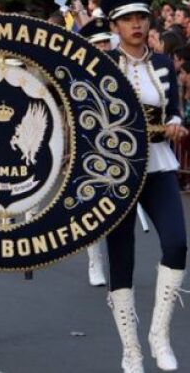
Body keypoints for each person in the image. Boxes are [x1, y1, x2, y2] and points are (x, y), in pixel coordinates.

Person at [100, 0, 190, 373]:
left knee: (176, 243)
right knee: (121, 258)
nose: (136, 24)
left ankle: (159, 334)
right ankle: (131, 349)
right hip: (117, 172)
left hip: (157, 164)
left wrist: (175, 124)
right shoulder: (101, 67)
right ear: (114, 26)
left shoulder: (165, 64)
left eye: (140, 17)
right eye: (127, 19)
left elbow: (175, 110)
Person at [78, 17, 114, 288]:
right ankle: (95, 261)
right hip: (90, 146)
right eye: (98, 43)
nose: (103, 47)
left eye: (105, 41)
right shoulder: (81, 74)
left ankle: (118, 258)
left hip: (119, 146)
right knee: (93, 206)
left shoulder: (121, 68)